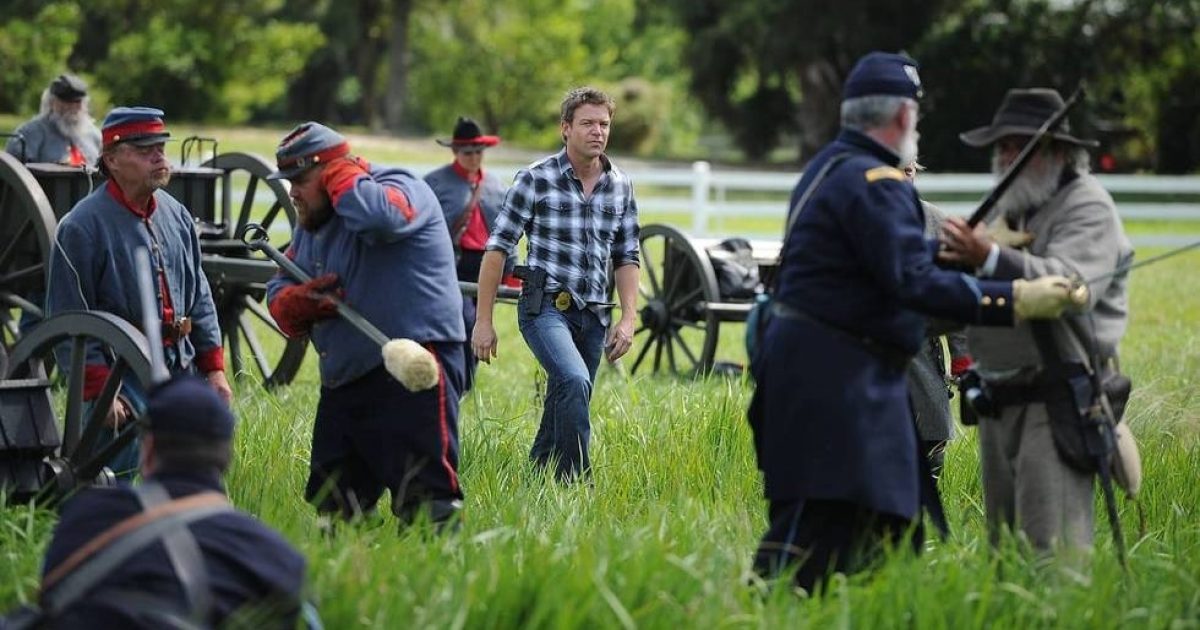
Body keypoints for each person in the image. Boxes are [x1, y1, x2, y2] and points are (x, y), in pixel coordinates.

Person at [747, 52, 1086, 593]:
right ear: (904, 117)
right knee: (810, 544)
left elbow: (887, 270)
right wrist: (1015, 297)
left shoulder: (831, 167)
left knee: (884, 536)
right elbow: (914, 285)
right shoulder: (877, 181)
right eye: (918, 117)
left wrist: (977, 255)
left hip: (825, 384)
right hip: (836, 390)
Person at [939, 87, 1134, 551]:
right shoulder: (1017, 204)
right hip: (998, 396)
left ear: (1058, 152)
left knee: (1054, 556)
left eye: (1019, 145)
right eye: (1002, 145)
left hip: (1057, 396)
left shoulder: (1087, 206)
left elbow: (1069, 285)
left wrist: (987, 257)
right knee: (1003, 555)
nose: (1006, 155)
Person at [265, 122, 467, 530]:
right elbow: (282, 280)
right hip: (346, 378)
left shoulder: (401, 187)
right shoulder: (315, 224)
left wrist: (340, 173)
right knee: (334, 502)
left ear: (334, 171)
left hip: (412, 367)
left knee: (427, 498)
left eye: (300, 180)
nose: (293, 193)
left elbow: (382, 219)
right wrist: (291, 302)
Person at [5, 375, 312, 629]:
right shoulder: (276, 559)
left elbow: (52, 597)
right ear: (226, 459)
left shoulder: (84, 519)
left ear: (148, 450)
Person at [45, 106, 231, 478]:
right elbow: (69, 317)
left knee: (195, 476)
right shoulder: (81, 227)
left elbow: (200, 298)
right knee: (122, 481)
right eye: (145, 149)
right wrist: (100, 391)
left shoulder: (177, 214)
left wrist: (213, 370)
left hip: (181, 368)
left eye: (160, 147)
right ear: (112, 159)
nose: (159, 156)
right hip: (121, 378)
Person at [472, 86, 640, 482]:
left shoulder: (621, 186)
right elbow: (497, 249)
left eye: (604, 123)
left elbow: (627, 255)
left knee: (566, 396)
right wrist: (483, 321)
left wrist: (629, 318)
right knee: (573, 380)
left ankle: (537, 473)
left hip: (595, 312)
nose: (597, 131)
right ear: (566, 128)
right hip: (544, 307)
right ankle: (576, 481)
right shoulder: (535, 179)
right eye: (587, 123)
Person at [423, 117, 515, 390]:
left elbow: (507, 233)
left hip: (486, 265)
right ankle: (453, 381)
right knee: (463, 322)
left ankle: (465, 384)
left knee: (480, 325)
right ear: (455, 152)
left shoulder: (497, 187)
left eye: (478, 152)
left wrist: (511, 271)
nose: (474, 158)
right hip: (450, 264)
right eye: (467, 152)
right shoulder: (435, 183)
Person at [902, 160, 973, 478]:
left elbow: (956, 294)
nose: (903, 179)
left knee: (929, 441)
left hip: (920, 352)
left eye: (908, 171)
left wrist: (963, 359)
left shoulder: (937, 222)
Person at [4, 74, 102, 166]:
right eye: (66, 101)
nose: (72, 106)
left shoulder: (94, 136)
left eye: (77, 102)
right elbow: (12, 174)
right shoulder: (30, 133)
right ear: (51, 102)